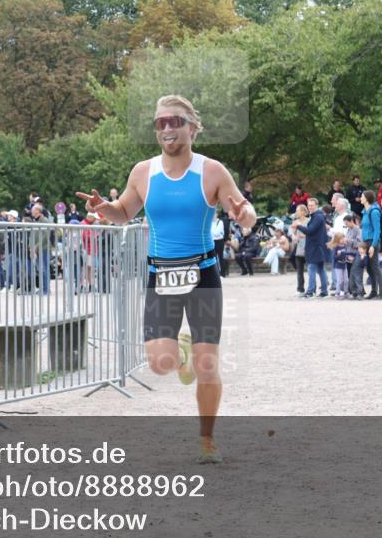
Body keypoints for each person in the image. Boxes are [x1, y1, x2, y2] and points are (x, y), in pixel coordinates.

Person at [76, 94, 256, 464]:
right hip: (161, 274)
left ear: (192, 127)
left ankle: (207, 440)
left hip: (202, 274)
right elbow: (124, 212)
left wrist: (246, 215)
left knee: (207, 366)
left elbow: (243, 210)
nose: (168, 128)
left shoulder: (212, 171)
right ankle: (182, 350)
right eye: (161, 123)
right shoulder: (143, 172)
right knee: (160, 363)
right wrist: (102, 209)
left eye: (175, 121)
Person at [295, 197, 329, 299]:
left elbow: (310, 230)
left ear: (316, 206)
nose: (310, 207)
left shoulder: (318, 217)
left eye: (312, 205)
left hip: (316, 247)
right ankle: (324, 291)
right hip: (317, 247)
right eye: (309, 205)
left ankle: (310, 291)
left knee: (311, 268)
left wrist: (298, 226)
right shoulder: (316, 216)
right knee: (320, 269)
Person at [356, 190, 382, 299]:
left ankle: (381, 293)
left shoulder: (374, 211)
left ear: (367, 198)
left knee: (375, 267)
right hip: (366, 242)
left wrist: (373, 245)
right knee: (369, 268)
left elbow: (377, 230)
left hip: (373, 242)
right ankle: (373, 291)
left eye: (362, 196)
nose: (361, 198)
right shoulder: (365, 211)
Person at [289, 204, 309, 294]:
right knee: (299, 270)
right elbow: (291, 232)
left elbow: (311, 233)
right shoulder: (295, 221)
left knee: (311, 270)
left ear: (304, 212)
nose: (296, 212)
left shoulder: (309, 221)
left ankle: (312, 288)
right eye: (296, 210)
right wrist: (293, 236)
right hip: (298, 247)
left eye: (298, 210)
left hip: (307, 247)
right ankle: (300, 289)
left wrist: (303, 235)